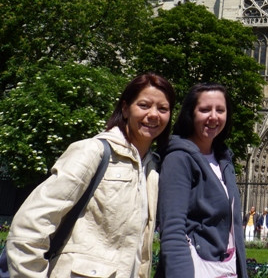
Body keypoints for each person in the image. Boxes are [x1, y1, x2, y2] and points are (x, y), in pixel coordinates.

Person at [6, 72, 175, 278]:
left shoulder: (152, 169)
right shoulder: (93, 151)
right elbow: (29, 226)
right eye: (144, 105)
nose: (154, 114)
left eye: (163, 108)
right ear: (125, 108)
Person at [157, 83, 247, 278]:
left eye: (220, 110)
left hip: (223, 269)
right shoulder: (179, 158)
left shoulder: (223, 159)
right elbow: (172, 230)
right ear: (191, 113)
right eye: (205, 109)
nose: (213, 116)